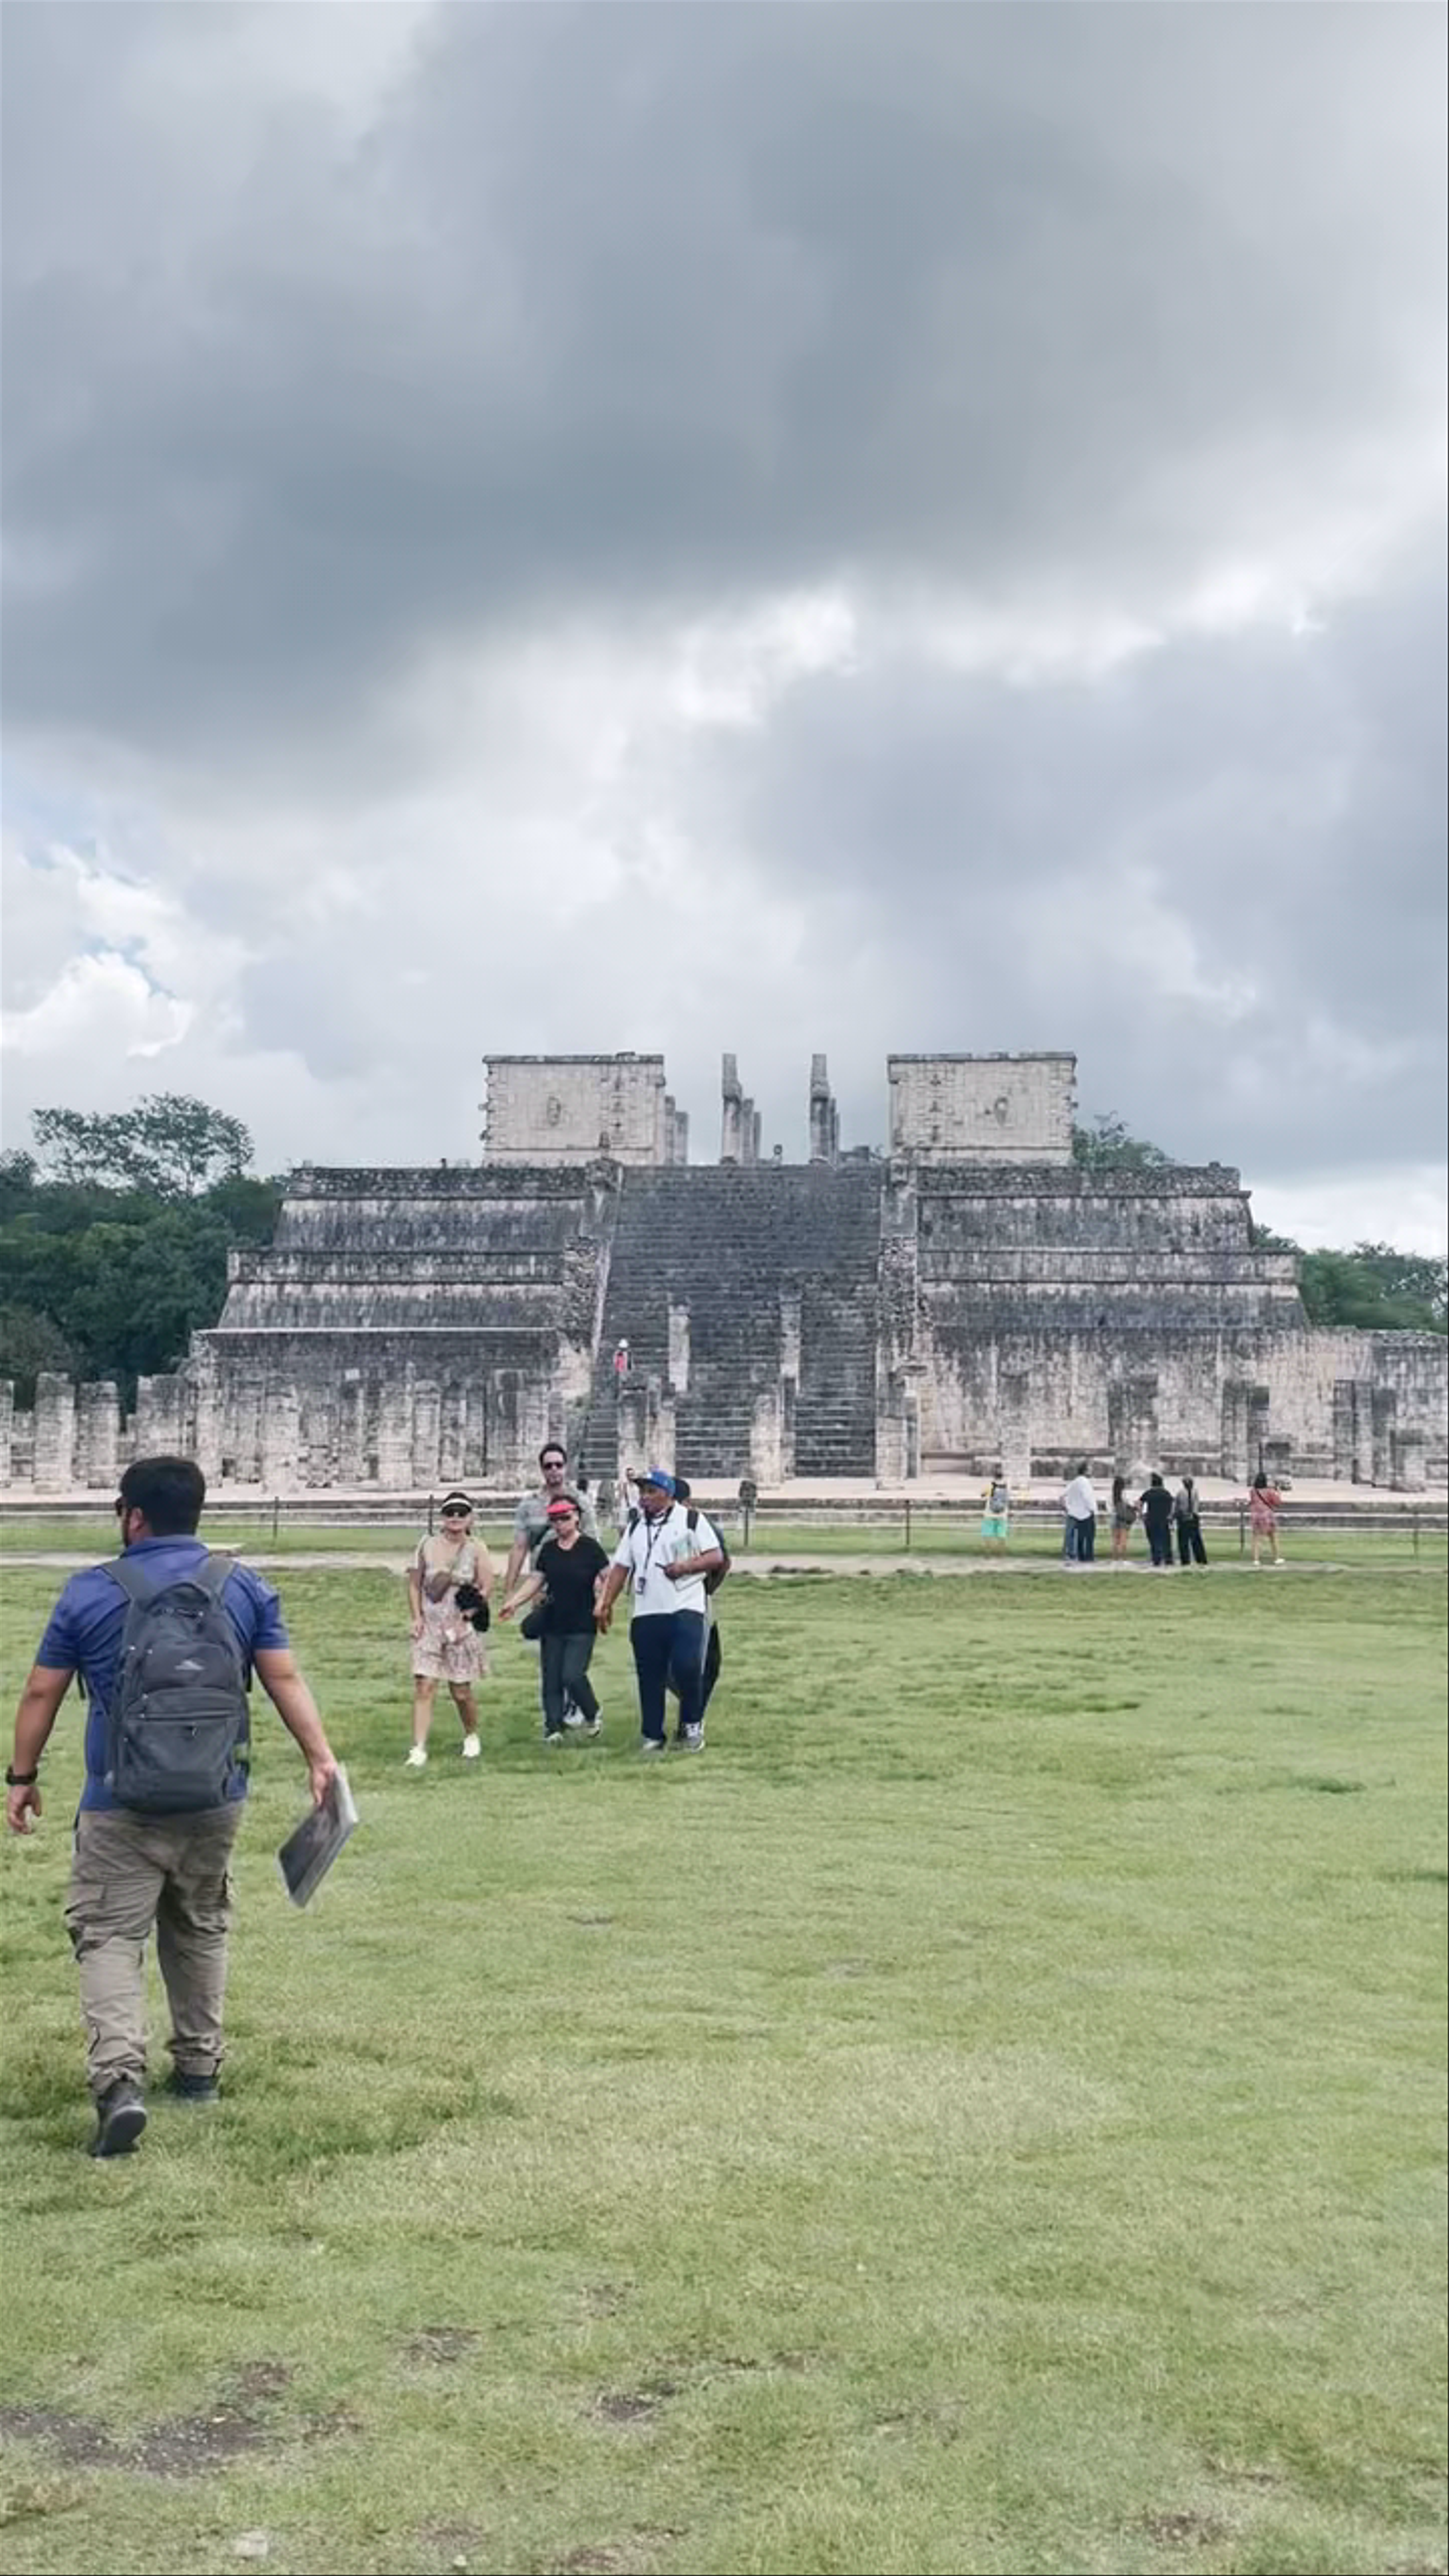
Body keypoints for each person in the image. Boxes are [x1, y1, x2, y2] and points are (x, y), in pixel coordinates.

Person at [4, 1455, 339, 2159]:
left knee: (108, 1936)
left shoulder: (91, 1592)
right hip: (216, 1794)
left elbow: (41, 1692)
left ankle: (119, 2081)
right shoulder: (243, 1587)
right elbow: (282, 1677)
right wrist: (320, 1756)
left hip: (118, 1799)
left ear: (133, 1516)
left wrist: (22, 1776)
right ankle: (198, 2067)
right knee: (201, 1924)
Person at [595, 1468, 723, 1753]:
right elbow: (621, 1568)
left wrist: (685, 1567)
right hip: (647, 1610)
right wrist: (606, 1602)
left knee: (687, 1665)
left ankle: (692, 1725)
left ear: (668, 1494)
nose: (645, 1497)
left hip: (685, 1605)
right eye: (642, 1492)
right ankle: (652, 1734)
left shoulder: (690, 1520)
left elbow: (716, 1556)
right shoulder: (636, 1527)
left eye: (651, 1491)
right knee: (650, 1674)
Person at [500, 1495, 611, 1741]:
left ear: (577, 1518)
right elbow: (536, 1580)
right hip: (553, 1620)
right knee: (552, 1677)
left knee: (572, 1674)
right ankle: (553, 1727)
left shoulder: (590, 1547)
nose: (560, 1524)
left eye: (565, 1518)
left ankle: (592, 1711)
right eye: (555, 1520)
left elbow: (609, 1578)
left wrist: (603, 1603)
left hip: (583, 1622)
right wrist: (514, 1602)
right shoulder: (549, 1550)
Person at [405, 1493, 494, 1768]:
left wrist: (468, 1616)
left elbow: (486, 1586)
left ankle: (471, 1734)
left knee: (461, 1690)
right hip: (431, 1623)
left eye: (461, 1513)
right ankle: (419, 1748)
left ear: (470, 1518)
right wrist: (416, 1617)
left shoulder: (476, 1548)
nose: (455, 1518)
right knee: (425, 1684)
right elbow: (414, 1583)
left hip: (459, 1625)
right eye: (450, 1512)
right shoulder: (427, 1545)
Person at [1245, 1470, 1284, 1567]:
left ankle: (1256, 1560)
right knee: (1273, 1538)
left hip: (1256, 1516)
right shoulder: (1269, 1492)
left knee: (1256, 1539)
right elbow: (1278, 1503)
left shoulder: (1253, 1492)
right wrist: (1279, 1493)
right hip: (1268, 1516)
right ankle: (1276, 1558)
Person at [1061, 1464, 1098, 1564]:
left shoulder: (1073, 1483)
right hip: (1085, 1513)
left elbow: (1063, 1496)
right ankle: (1088, 1557)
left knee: (1075, 1538)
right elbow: (1087, 1498)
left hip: (1073, 1513)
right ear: (1086, 1471)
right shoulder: (1085, 1483)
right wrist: (1093, 1509)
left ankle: (1075, 1555)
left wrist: (1068, 1507)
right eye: (1090, 1470)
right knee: (1088, 1537)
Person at [1138, 1472, 1175, 1569]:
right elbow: (1172, 1505)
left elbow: (1140, 1503)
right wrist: (1170, 1516)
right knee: (1166, 1540)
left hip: (1151, 1520)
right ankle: (1168, 1560)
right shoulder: (1166, 1493)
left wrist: (1142, 1515)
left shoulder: (1149, 1493)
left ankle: (1157, 1560)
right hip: (1164, 1520)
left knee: (1154, 1540)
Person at [1174, 1475, 1208, 1567]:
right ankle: (1201, 1559)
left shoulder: (1181, 1493)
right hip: (1192, 1518)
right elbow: (1196, 1504)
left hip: (1185, 1518)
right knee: (1196, 1540)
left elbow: (1177, 1505)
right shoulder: (1195, 1492)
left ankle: (1186, 1560)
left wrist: (1175, 1515)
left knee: (1184, 1541)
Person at [980, 1468, 1011, 1551]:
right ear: (1002, 1476)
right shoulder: (1007, 1486)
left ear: (994, 1476)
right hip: (1002, 1514)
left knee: (987, 1533)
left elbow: (983, 1495)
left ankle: (989, 1551)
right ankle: (1001, 1552)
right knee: (1002, 1535)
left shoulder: (991, 1485)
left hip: (990, 1513)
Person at [1110, 1473, 1135, 1563]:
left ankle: (1115, 1559)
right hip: (1123, 1519)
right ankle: (1123, 1560)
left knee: (1115, 1541)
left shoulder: (1112, 1495)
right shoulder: (1124, 1495)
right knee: (1123, 1541)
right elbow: (1127, 1506)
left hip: (1114, 1518)